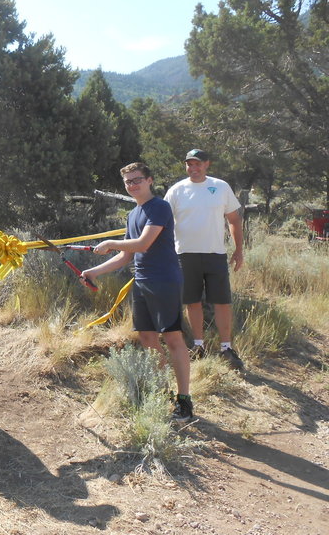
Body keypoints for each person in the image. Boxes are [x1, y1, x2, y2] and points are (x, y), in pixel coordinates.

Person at [81, 162, 193, 422]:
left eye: (137, 180)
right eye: (128, 182)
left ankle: (184, 400)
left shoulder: (160, 207)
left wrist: (110, 243)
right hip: (141, 281)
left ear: (149, 180)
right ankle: (162, 391)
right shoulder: (133, 215)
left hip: (165, 280)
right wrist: (94, 272)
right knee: (146, 337)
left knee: (173, 338)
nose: (132, 185)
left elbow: (143, 243)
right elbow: (125, 256)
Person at [164, 149, 244, 371]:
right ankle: (198, 345)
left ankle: (226, 347)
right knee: (192, 301)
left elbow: (234, 220)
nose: (194, 168)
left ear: (207, 164)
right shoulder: (176, 190)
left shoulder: (220, 187)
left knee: (222, 302)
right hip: (184, 255)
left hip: (215, 253)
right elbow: (163, 223)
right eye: (189, 164)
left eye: (198, 164)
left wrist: (239, 250)